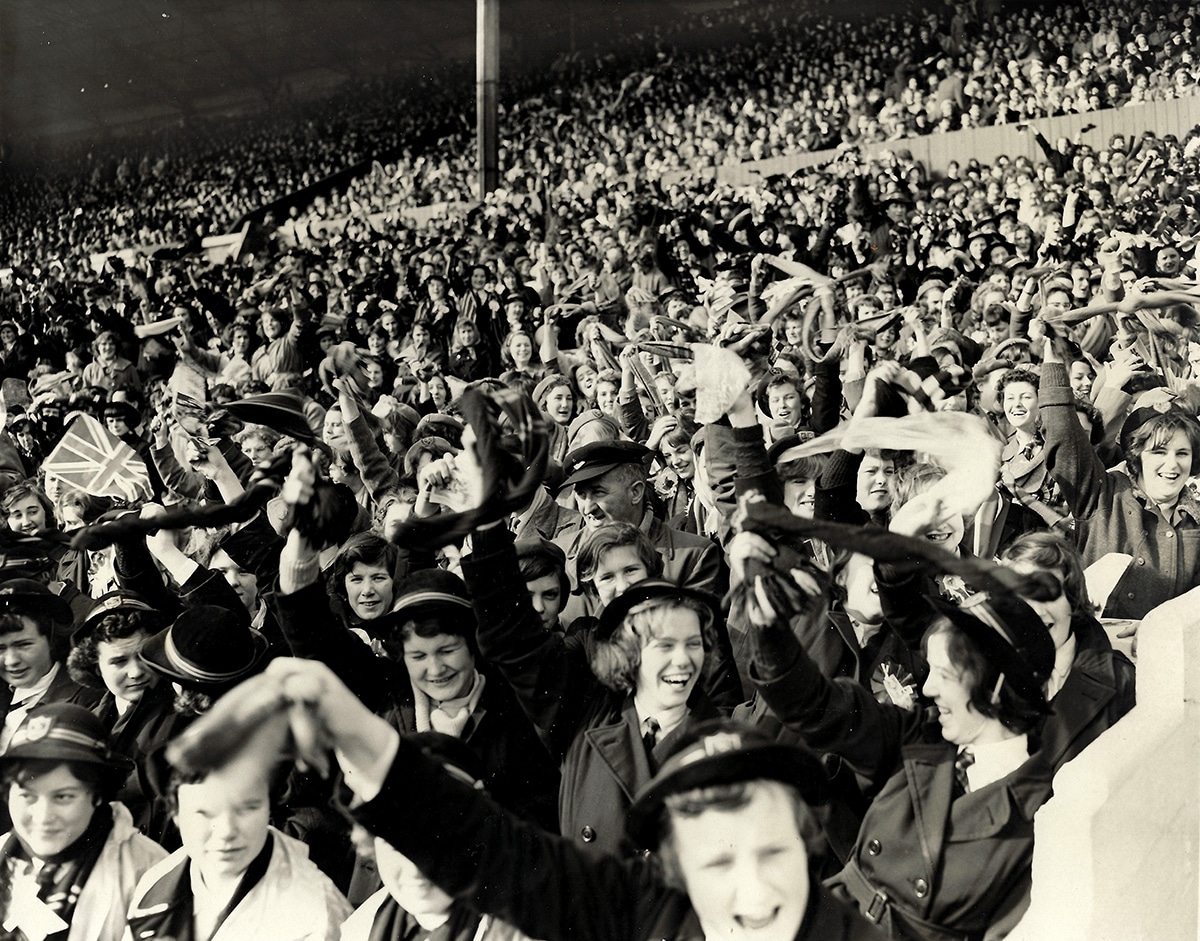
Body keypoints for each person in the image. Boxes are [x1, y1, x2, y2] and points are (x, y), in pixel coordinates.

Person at [253, 658, 881, 941]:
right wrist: (354, 729)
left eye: (772, 852)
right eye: (717, 862)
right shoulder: (639, 911)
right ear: (672, 869)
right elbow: (499, 856)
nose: (755, 891)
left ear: (807, 841)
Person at [745, 550, 1058, 940]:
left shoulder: (1039, 819)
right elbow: (817, 707)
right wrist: (769, 630)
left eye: (943, 674)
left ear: (993, 686)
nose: (926, 689)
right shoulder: (918, 737)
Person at [125, 728, 350, 941]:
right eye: (205, 813)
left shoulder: (315, 916)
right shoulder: (156, 882)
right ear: (176, 815)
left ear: (268, 808)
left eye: (246, 809)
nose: (226, 831)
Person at [1040, 339, 1200, 617]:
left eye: (1182, 453)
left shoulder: (1195, 520)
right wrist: (1054, 364)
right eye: (1159, 452)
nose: (1172, 465)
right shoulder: (1103, 494)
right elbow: (1064, 440)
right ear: (1137, 455)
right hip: (1101, 651)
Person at [0, 703, 167, 941]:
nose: (43, 816)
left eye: (63, 797)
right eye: (27, 796)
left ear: (97, 795)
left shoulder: (148, 872)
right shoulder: (3, 853)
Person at [0, 579, 99, 753]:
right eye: (0, 648)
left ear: (52, 640)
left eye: (23, 645)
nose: (11, 660)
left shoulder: (86, 701)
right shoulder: (5, 695)